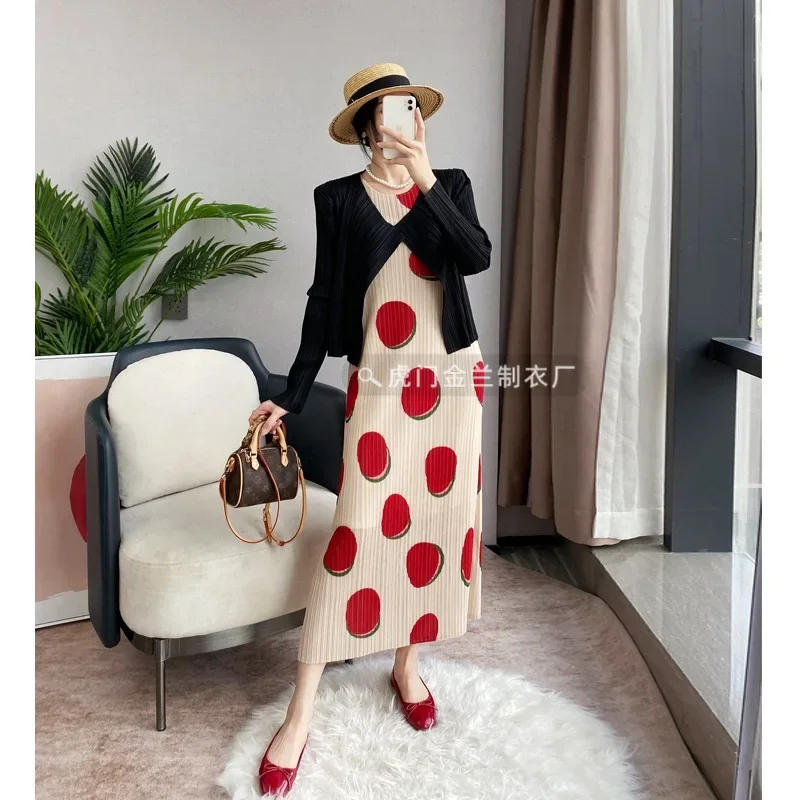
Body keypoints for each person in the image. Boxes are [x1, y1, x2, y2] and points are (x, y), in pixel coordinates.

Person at [248, 62, 492, 797]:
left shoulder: (449, 184)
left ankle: (407, 667)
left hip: (451, 381)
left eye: (411, 105)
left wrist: (422, 175)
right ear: (364, 126)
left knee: (437, 524)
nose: (403, 117)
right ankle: (300, 713)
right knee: (358, 534)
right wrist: (291, 393)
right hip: (382, 385)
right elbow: (325, 300)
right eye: (389, 108)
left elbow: (475, 256)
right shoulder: (338, 198)